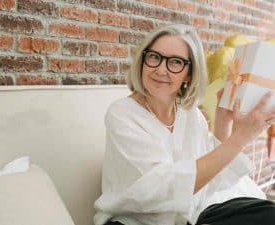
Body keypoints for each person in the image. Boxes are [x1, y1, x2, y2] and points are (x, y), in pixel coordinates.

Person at [94, 24, 275, 225]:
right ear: (143, 61)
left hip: (190, 216)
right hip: (136, 220)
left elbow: (209, 181)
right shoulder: (121, 114)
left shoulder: (190, 115)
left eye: (175, 62)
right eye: (154, 57)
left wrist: (223, 122)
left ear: (189, 74)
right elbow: (163, 190)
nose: (161, 69)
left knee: (269, 213)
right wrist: (240, 139)